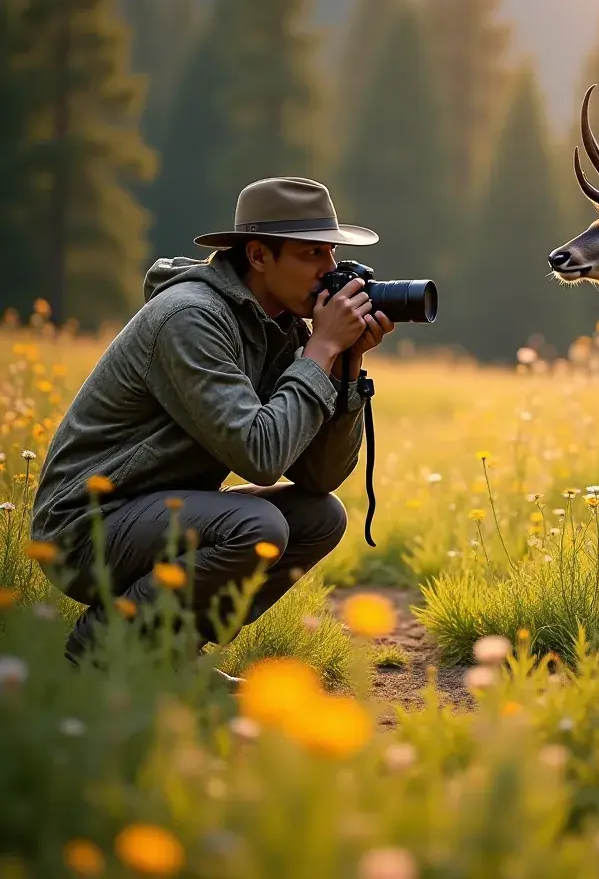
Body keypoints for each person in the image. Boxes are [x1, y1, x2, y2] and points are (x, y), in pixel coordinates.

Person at [31, 177, 394, 679]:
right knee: (258, 528)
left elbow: (320, 476)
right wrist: (319, 353)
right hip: (85, 526)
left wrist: (345, 367)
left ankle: (169, 653)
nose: (330, 271)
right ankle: (99, 653)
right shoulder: (190, 319)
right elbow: (260, 458)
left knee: (320, 515)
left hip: (158, 513)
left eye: (331, 252)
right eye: (312, 253)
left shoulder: (281, 329)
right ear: (259, 256)